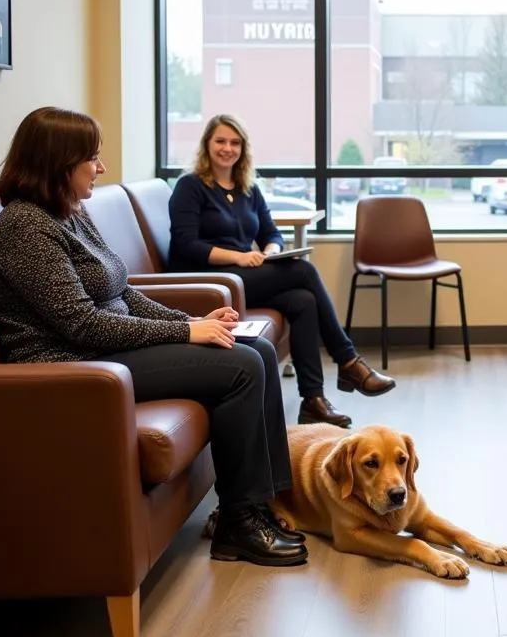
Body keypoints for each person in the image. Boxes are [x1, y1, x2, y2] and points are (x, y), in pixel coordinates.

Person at [0, 107, 306, 568]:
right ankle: (239, 523)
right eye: (91, 159)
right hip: (78, 364)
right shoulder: (23, 227)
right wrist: (186, 330)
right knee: (241, 366)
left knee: (254, 346)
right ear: (59, 163)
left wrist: (198, 322)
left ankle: (264, 503)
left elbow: (122, 292)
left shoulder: (69, 212)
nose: (100, 168)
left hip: (108, 350)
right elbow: (82, 324)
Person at [168, 114, 395, 430]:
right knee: (303, 272)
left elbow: (271, 234)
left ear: (243, 149)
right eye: (220, 141)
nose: (227, 149)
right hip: (209, 280)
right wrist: (240, 256)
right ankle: (348, 360)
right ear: (207, 144)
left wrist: (271, 252)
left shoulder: (249, 189)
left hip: (244, 273)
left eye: (235, 143)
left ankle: (313, 400)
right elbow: (185, 244)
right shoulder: (190, 186)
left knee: (303, 299)